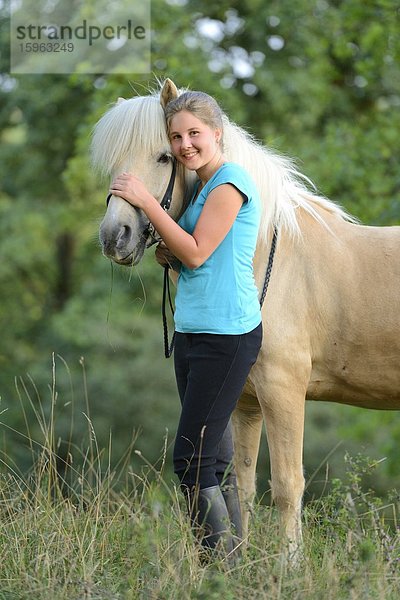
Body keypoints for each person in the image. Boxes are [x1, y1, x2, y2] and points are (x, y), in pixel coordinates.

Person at [110, 90, 262, 562]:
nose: (184, 144)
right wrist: (167, 252)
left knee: (191, 462)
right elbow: (196, 258)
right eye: (176, 136)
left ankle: (218, 572)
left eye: (194, 133)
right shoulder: (199, 188)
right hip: (194, 333)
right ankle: (240, 569)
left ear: (217, 133)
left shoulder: (230, 184)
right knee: (214, 460)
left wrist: (144, 201)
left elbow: (197, 251)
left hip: (226, 337)